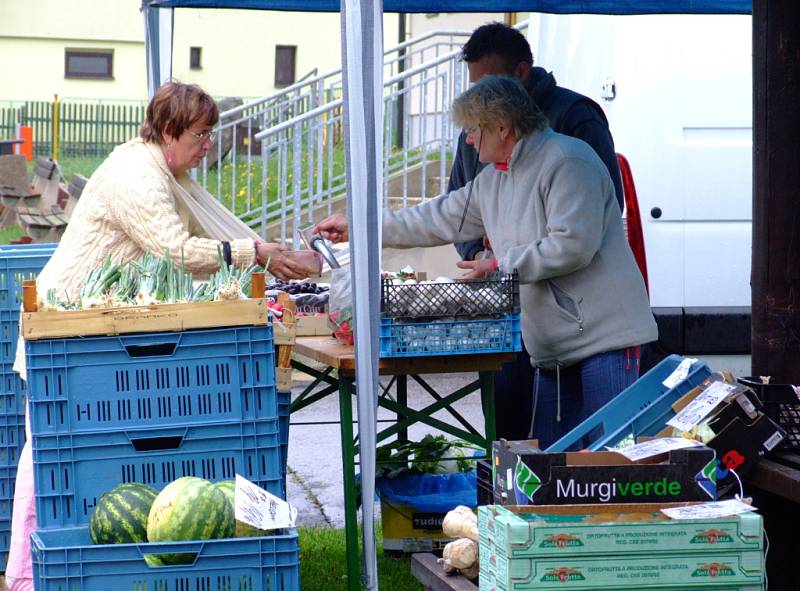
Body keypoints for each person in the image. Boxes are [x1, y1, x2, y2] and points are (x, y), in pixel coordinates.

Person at [5, 81, 307, 591]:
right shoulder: (137, 176)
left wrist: (262, 251)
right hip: (62, 328)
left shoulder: (164, 170)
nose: (208, 143)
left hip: (91, 330)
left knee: (63, 452)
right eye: (200, 133)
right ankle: (25, 578)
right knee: (50, 454)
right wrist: (254, 254)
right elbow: (175, 248)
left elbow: (204, 233)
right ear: (169, 131)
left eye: (210, 132)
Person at [314, 76, 657, 451]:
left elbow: (573, 244)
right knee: (555, 466)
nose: (468, 139)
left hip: (605, 339)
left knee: (614, 459)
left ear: (502, 126)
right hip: (554, 348)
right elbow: (436, 217)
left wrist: (498, 267)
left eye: (473, 129)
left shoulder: (568, 160)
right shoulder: (492, 179)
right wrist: (361, 224)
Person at [449, 22, 626, 440]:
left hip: (580, 320)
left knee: (592, 448)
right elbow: (457, 207)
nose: (478, 98)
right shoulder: (475, 132)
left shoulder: (575, 121)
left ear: (522, 73)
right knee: (512, 427)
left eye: (488, 84)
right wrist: (478, 254)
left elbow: (599, 211)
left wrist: (506, 255)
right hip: (508, 307)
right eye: (474, 85)